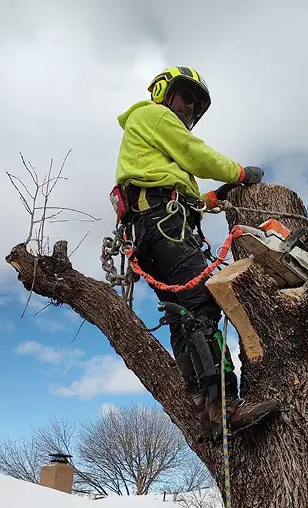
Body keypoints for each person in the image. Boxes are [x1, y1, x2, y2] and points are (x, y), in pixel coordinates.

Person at [114, 66, 279, 444]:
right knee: (202, 306)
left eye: (196, 104)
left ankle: (205, 409)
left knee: (182, 314)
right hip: (164, 226)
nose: (189, 107)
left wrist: (210, 197)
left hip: (152, 229)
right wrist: (239, 173)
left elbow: (173, 186)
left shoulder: (149, 150)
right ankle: (227, 406)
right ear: (164, 92)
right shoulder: (151, 115)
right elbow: (195, 155)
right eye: (186, 96)